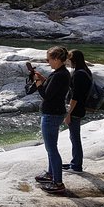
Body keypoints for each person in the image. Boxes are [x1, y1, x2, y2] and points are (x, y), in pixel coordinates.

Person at [33, 46, 71, 194]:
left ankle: (58, 182)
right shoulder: (62, 73)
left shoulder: (59, 75)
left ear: (56, 59)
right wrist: (43, 79)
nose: (48, 62)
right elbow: (52, 89)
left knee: (52, 149)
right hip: (56, 112)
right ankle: (50, 174)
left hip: (51, 114)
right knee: (51, 147)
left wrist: (37, 83)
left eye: (49, 59)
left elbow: (46, 95)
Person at [63, 49, 92, 172]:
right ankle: (74, 162)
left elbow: (76, 96)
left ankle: (76, 165)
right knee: (74, 137)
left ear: (73, 60)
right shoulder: (86, 71)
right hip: (80, 108)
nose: (67, 61)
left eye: (68, 59)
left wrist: (68, 113)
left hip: (76, 110)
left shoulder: (78, 74)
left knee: (74, 137)